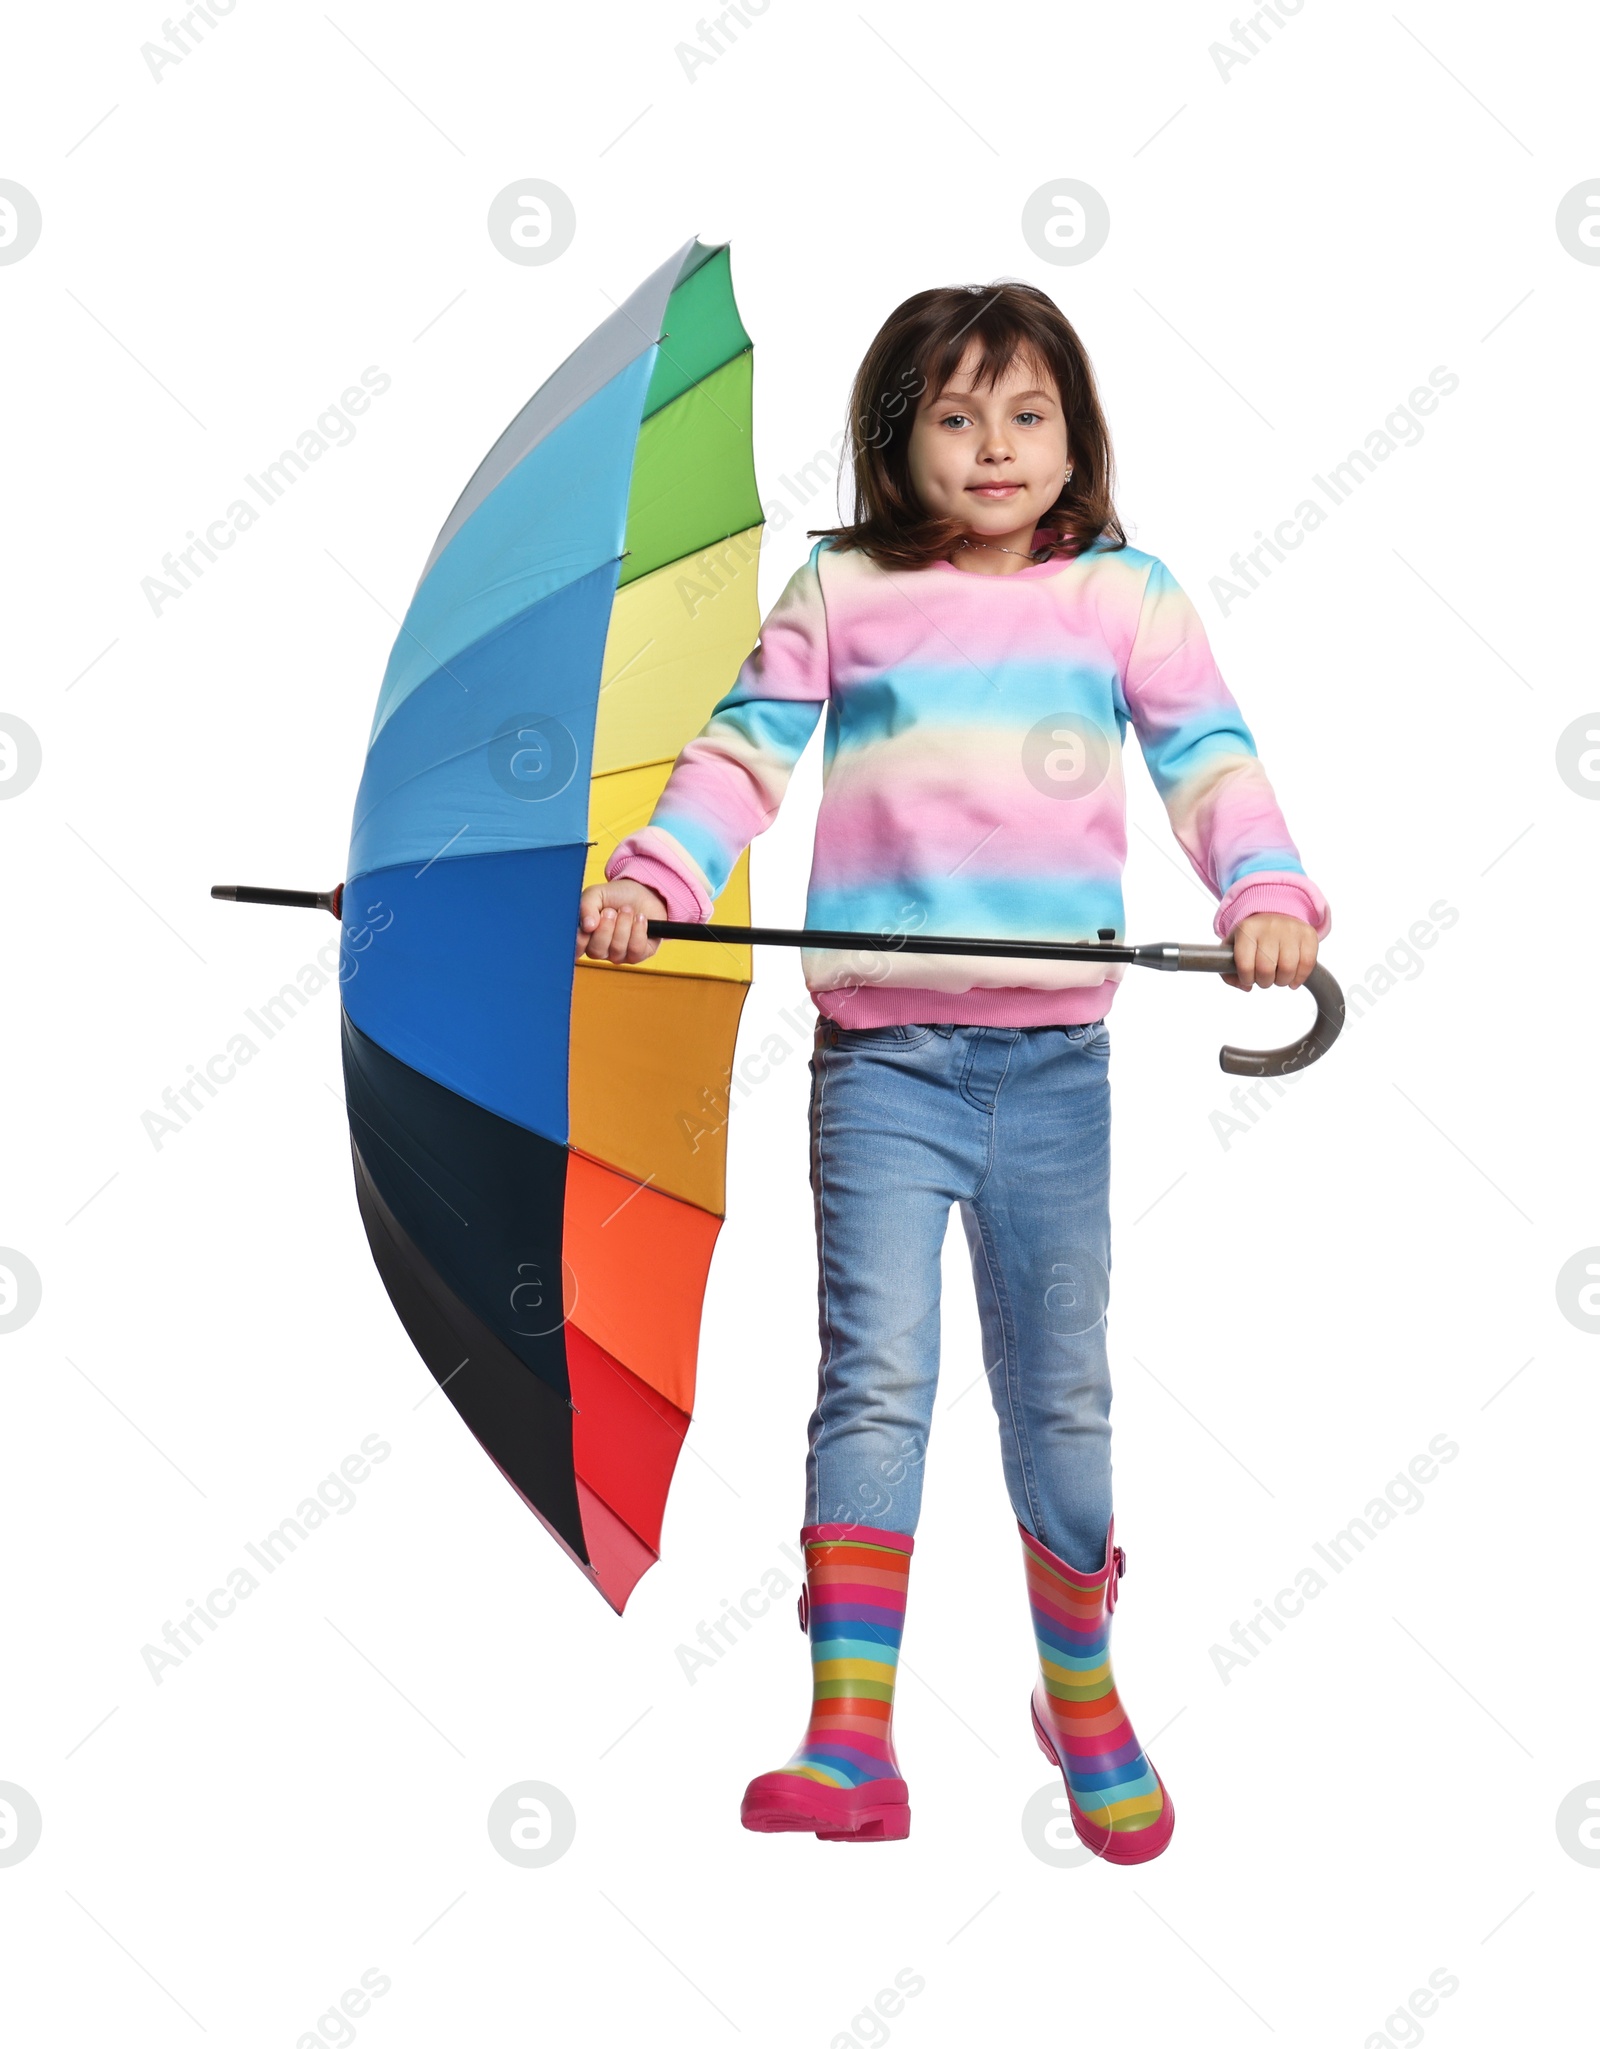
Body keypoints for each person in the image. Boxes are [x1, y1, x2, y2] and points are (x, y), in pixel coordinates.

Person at [573, 280, 1329, 1858]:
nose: (994, 444)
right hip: (882, 1068)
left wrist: (1262, 897)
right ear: (894, 436)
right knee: (878, 1371)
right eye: (955, 413)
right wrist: (660, 874)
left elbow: (1210, 760)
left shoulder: (1124, 597)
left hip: (1054, 1074)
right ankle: (850, 1727)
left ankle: (1081, 1684)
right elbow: (738, 756)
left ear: (1076, 434)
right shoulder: (842, 591)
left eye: (1027, 412)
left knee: (1060, 1390)